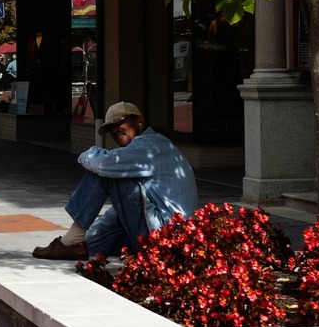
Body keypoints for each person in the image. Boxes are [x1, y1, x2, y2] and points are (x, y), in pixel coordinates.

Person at [32, 101, 198, 261]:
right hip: (169, 237)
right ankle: (73, 242)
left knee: (105, 170)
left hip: (161, 235)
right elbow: (120, 210)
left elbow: (103, 164)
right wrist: (88, 239)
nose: (115, 130)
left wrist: (87, 155)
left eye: (120, 123)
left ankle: (70, 242)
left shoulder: (149, 145)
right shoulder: (155, 146)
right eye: (110, 128)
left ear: (139, 121)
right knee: (88, 246)